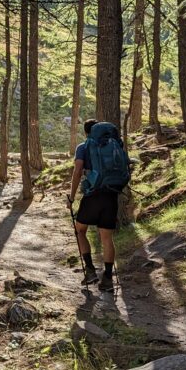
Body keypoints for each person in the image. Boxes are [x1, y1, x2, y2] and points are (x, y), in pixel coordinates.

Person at [67, 119, 119, 292]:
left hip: (93, 195)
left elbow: (77, 171)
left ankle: (90, 271)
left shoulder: (83, 147)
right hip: (111, 195)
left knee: (80, 230)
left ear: (86, 132)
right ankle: (108, 279)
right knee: (107, 238)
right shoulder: (113, 145)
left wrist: (71, 197)